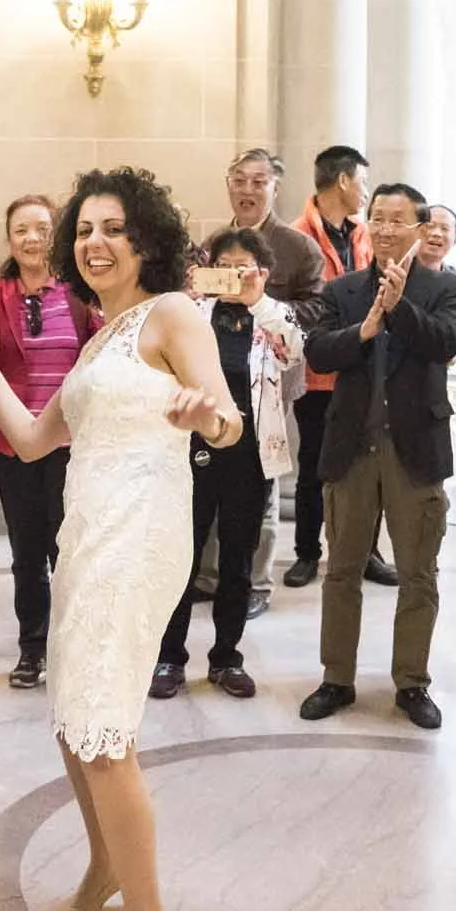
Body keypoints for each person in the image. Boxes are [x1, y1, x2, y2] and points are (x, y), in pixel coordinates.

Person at [0, 164, 236, 911]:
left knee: (104, 729)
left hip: (141, 533)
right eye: (85, 229)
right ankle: (104, 870)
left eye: (113, 228)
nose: (95, 242)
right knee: (73, 717)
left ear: (146, 239)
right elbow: (33, 440)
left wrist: (203, 416)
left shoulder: (172, 313)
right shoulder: (97, 339)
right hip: (87, 533)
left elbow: (227, 417)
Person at [297, 184, 456, 731]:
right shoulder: (343, 289)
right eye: (379, 218)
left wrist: (400, 308)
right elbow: (318, 351)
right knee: (342, 570)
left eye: (399, 220)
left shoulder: (445, 288)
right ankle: (336, 678)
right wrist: (366, 328)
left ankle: (412, 682)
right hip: (351, 447)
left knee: (419, 573)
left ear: (421, 229)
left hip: (414, 449)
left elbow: (445, 342)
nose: (388, 229)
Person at [0, 193, 97, 690]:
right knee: (26, 552)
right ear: (9, 240)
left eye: (42, 229)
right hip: (13, 444)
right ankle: (32, 649)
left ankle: (72, 650)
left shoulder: (78, 293)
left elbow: (102, 345)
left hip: (70, 443)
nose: (32, 239)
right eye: (21, 231)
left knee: (68, 552)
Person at [151, 227, 301, 701]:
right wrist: (189, 294)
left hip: (251, 455)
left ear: (262, 272)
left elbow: (295, 350)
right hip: (190, 450)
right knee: (182, 556)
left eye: (244, 267)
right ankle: (169, 658)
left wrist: (258, 301)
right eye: (224, 266)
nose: (234, 275)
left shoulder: (272, 315)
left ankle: (226, 657)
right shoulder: (190, 313)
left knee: (238, 561)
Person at [190, 148, 324, 615]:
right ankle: (211, 576)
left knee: (260, 484)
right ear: (228, 184)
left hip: (271, 383)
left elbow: (316, 310)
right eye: (239, 180)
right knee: (209, 482)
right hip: (215, 383)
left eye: (258, 182)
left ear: (274, 187)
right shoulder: (213, 244)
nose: (248, 190)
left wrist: (261, 303)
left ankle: (256, 582)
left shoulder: (298, 246)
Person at [286, 145, 398, 589]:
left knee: (369, 465)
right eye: (363, 182)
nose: (366, 193)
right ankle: (306, 553)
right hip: (317, 369)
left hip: (362, 368)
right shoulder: (298, 237)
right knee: (315, 463)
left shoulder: (364, 235)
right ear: (344, 181)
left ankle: (366, 552)